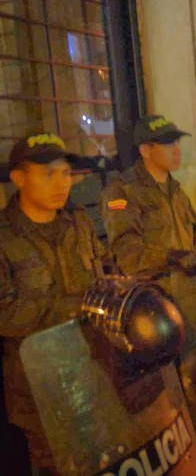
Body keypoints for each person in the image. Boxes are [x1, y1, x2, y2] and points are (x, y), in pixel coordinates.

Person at [1, 134, 105, 473]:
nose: (62, 183)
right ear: (19, 178)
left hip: (91, 369)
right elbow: (5, 312)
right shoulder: (5, 237)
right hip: (38, 387)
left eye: (65, 173)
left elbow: (102, 272)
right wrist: (71, 306)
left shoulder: (79, 222)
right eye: (48, 174)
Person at [100, 115, 196, 276]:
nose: (177, 150)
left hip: (189, 285)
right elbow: (128, 255)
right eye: (169, 144)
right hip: (154, 288)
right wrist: (171, 258)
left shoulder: (176, 191)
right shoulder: (123, 191)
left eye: (177, 143)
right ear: (145, 151)